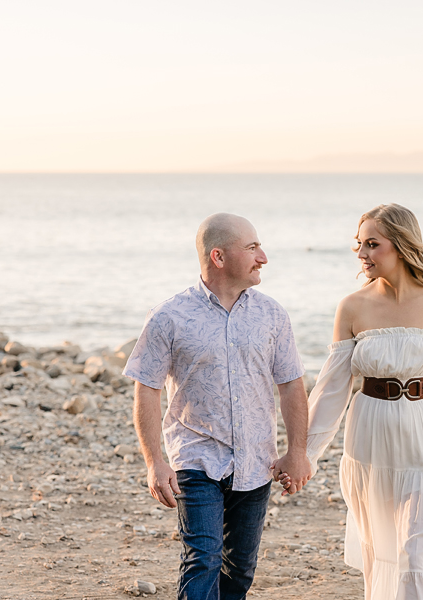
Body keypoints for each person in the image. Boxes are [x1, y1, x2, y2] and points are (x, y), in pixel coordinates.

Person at [286, 204, 423, 600]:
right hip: (371, 437)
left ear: (400, 245)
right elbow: (333, 387)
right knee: (380, 555)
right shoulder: (352, 306)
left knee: (417, 556)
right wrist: (307, 453)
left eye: (372, 244)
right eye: (359, 244)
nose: (361, 254)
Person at [122, 213, 312, 600]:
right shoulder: (168, 316)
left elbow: (291, 385)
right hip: (195, 458)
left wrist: (297, 452)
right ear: (219, 257)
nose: (263, 257)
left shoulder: (272, 315)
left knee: (239, 568)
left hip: (256, 461)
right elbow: (147, 390)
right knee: (202, 559)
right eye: (252, 248)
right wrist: (154, 462)